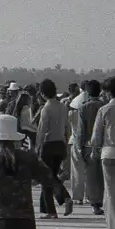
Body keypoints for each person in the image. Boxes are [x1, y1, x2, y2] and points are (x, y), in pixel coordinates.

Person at [33, 79, 74, 218]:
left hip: (48, 145)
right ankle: (47, 209)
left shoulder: (46, 108)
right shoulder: (63, 107)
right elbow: (67, 127)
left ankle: (55, 207)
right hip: (60, 144)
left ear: (42, 93)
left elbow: (41, 130)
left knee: (46, 178)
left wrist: (37, 147)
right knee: (53, 176)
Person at [88, 76, 115, 229]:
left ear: (108, 93)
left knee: (110, 190)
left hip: (108, 153)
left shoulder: (104, 110)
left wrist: (94, 147)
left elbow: (96, 137)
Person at [74, 80, 106, 216]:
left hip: (88, 146)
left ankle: (95, 204)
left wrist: (79, 147)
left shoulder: (83, 108)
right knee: (104, 176)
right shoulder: (104, 106)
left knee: (92, 177)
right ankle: (105, 201)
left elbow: (80, 131)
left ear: (87, 92)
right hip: (105, 145)